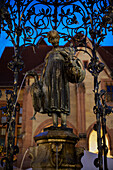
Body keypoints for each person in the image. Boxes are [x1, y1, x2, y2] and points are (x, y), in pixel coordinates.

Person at [30, 30, 85, 128]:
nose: (55, 40)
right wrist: (41, 81)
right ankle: (54, 124)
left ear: (59, 38)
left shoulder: (63, 52)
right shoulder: (49, 54)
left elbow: (70, 63)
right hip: (51, 82)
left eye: (56, 38)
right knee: (53, 103)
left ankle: (64, 124)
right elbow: (44, 69)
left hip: (61, 81)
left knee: (62, 102)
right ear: (50, 41)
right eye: (53, 39)